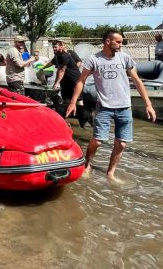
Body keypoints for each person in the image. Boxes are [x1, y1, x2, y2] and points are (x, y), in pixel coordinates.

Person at [66, 29, 156, 180]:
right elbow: (81, 81)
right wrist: (73, 102)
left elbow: (137, 80)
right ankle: (88, 164)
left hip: (125, 107)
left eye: (121, 42)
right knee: (98, 141)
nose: (121, 45)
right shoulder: (93, 60)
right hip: (104, 107)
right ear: (108, 41)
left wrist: (148, 104)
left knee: (121, 144)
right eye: (118, 42)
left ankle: (110, 173)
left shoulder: (125, 58)